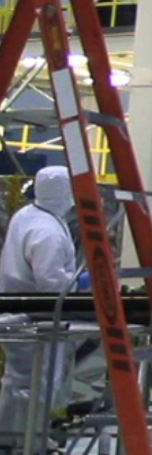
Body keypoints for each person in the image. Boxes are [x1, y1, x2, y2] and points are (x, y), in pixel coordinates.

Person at [0, 167, 78, 440]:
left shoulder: (28, 214)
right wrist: (80, 281)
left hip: (14, 313)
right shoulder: (48, 233)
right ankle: (28, 442)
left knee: (17, 381)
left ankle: (11, 438)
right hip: (35, 319)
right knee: (38, 383)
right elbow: (51, 283)